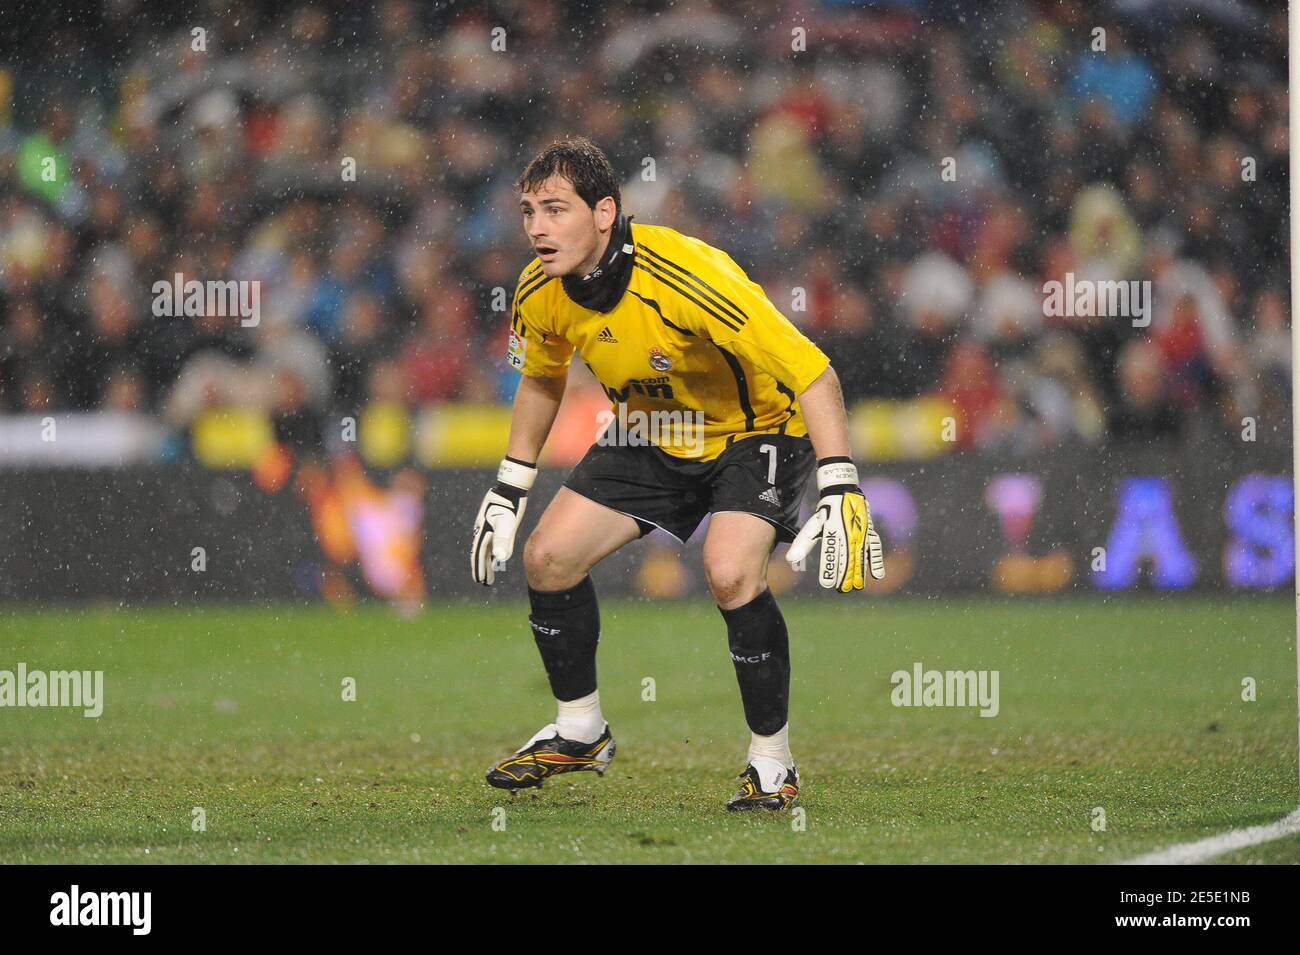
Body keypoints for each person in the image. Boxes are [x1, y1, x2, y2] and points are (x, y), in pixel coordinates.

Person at [470, 137, 883, 811]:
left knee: (730, 571)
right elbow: (542, 379)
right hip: (653, 433)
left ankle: (771, 762)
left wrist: (840, 480)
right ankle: (580, 731)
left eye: (554, 209)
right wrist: (510, 485)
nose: (537, 228)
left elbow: (812, 370)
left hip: (756, 430)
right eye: (527, 211)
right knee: (547, 558)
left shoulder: (687, 273)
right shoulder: (538, 290)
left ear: (605, 212)